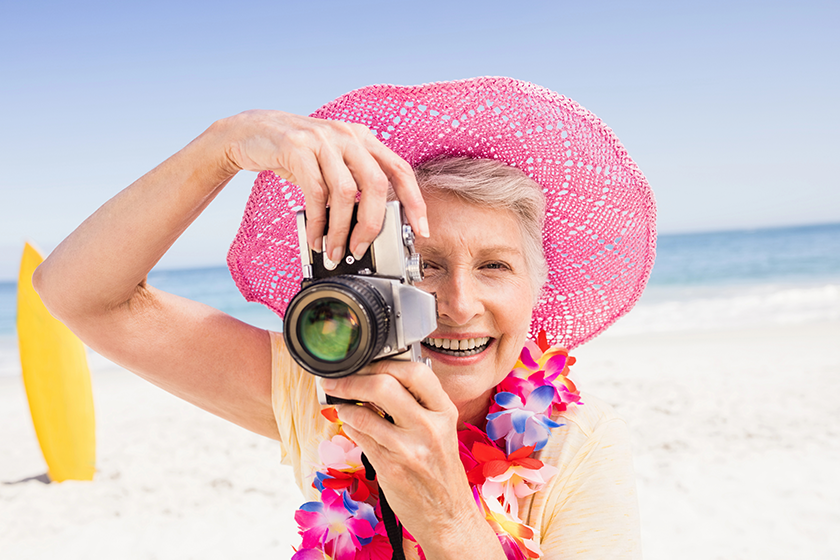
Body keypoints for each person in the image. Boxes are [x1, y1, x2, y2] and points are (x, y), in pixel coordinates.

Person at [34, 77, 655, 559]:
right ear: (376, 285)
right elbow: (81, 295)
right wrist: (223, 145)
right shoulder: (324, 393)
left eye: (495, 266)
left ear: (535, 290)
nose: (461, 304)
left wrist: (445, 517)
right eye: (427, 265)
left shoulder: (582, 444)